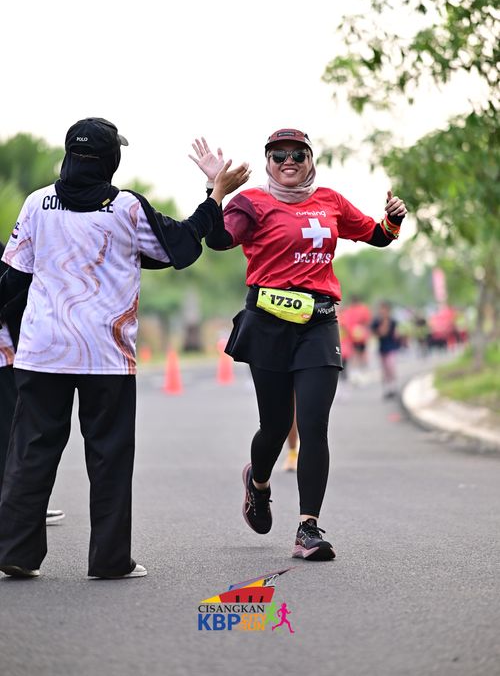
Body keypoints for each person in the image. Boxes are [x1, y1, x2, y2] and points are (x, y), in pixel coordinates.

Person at [0, 117, 249, 580]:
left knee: (31, 452)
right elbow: (180, 247)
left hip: (41, 352)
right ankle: (110, 560)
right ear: (110, 159)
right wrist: (215, 194)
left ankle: (15, 550)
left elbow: (13, 279)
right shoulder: (125, 207)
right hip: (106, 355)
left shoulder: (37, 203)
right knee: (109, 458)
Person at [189, 129, 407, 561]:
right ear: (268, 162)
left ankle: (308, 528)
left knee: (313, 425)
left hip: (318, 323)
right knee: (275, 426)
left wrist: (394, 218)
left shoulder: (330, 201)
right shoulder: (251, 202)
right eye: (278, 155)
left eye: (297, 154)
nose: (288, 161)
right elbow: (217, 240)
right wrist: (216, 189)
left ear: (310, 160)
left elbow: (377, 235)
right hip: (267, 324)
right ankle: (258, 483)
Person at [0, 243, 65, 526]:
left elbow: (20, 286)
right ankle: (19, 509)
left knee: (12, 434)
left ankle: (19, 507)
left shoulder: (6, 253)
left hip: (6, 358)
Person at [370, 301, 400, 398]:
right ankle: (387, 388)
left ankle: (393, 387)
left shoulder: (393, 321)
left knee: (391, 367)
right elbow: (378, 333)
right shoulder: (376, 322)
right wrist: (383, 325)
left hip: (391, 347)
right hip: (382, 348)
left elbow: (396, 334)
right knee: (384, 370)